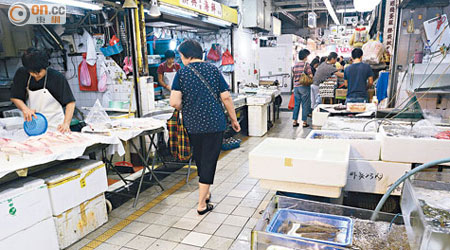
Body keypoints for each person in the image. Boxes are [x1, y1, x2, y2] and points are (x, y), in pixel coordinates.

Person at [170, 40, 241, 215]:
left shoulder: (182, 73)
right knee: (209, 160)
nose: (181, 60)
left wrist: (188, 107)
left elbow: (174, 102)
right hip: (214, 123)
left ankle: (206, 193)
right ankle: (202, 203)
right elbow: (226, 98)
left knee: (201, 159)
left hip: (193, 124)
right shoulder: (213, 70)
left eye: (181, 56)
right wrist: (234, 119)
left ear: (187, 56)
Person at [10, 48, 75, 133]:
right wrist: (25, 109)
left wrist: (66, 124)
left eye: (38, 72)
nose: (35, 75)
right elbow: (15, 97)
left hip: (55, 126)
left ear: (46, 66)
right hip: (33, 126)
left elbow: (70, 103)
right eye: (32, 72)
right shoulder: (22, 74)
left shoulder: (56, 77)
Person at [292, 49, 313, 128]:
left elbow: (294, 75)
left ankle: (294, 121)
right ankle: (304, 122)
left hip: (296, 87)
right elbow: (311, 76)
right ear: (305, 56)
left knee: (296, 104)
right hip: (304, 86)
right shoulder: (306, 65)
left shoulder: (295, 65)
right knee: (305, 104)